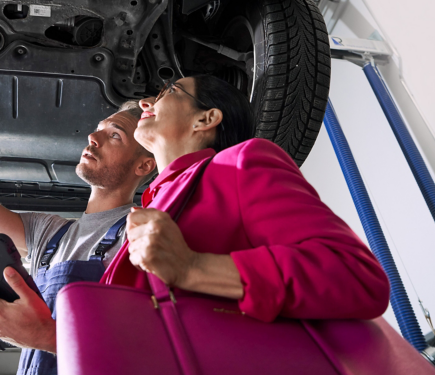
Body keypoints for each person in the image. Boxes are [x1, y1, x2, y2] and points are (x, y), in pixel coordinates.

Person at [0, 24, 156, 375]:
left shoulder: (145, 233)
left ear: (144, 165)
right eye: (98, 127)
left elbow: (150, 351)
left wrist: (44, 337)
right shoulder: (49, 235)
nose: (93, 136)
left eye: (114, 135)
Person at [101, 75, 390, 322]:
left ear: (206, 119)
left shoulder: (239, 164)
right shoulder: (154, 200)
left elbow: (354, 275)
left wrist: (194, 268)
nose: (145, 102)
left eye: (170, 91)